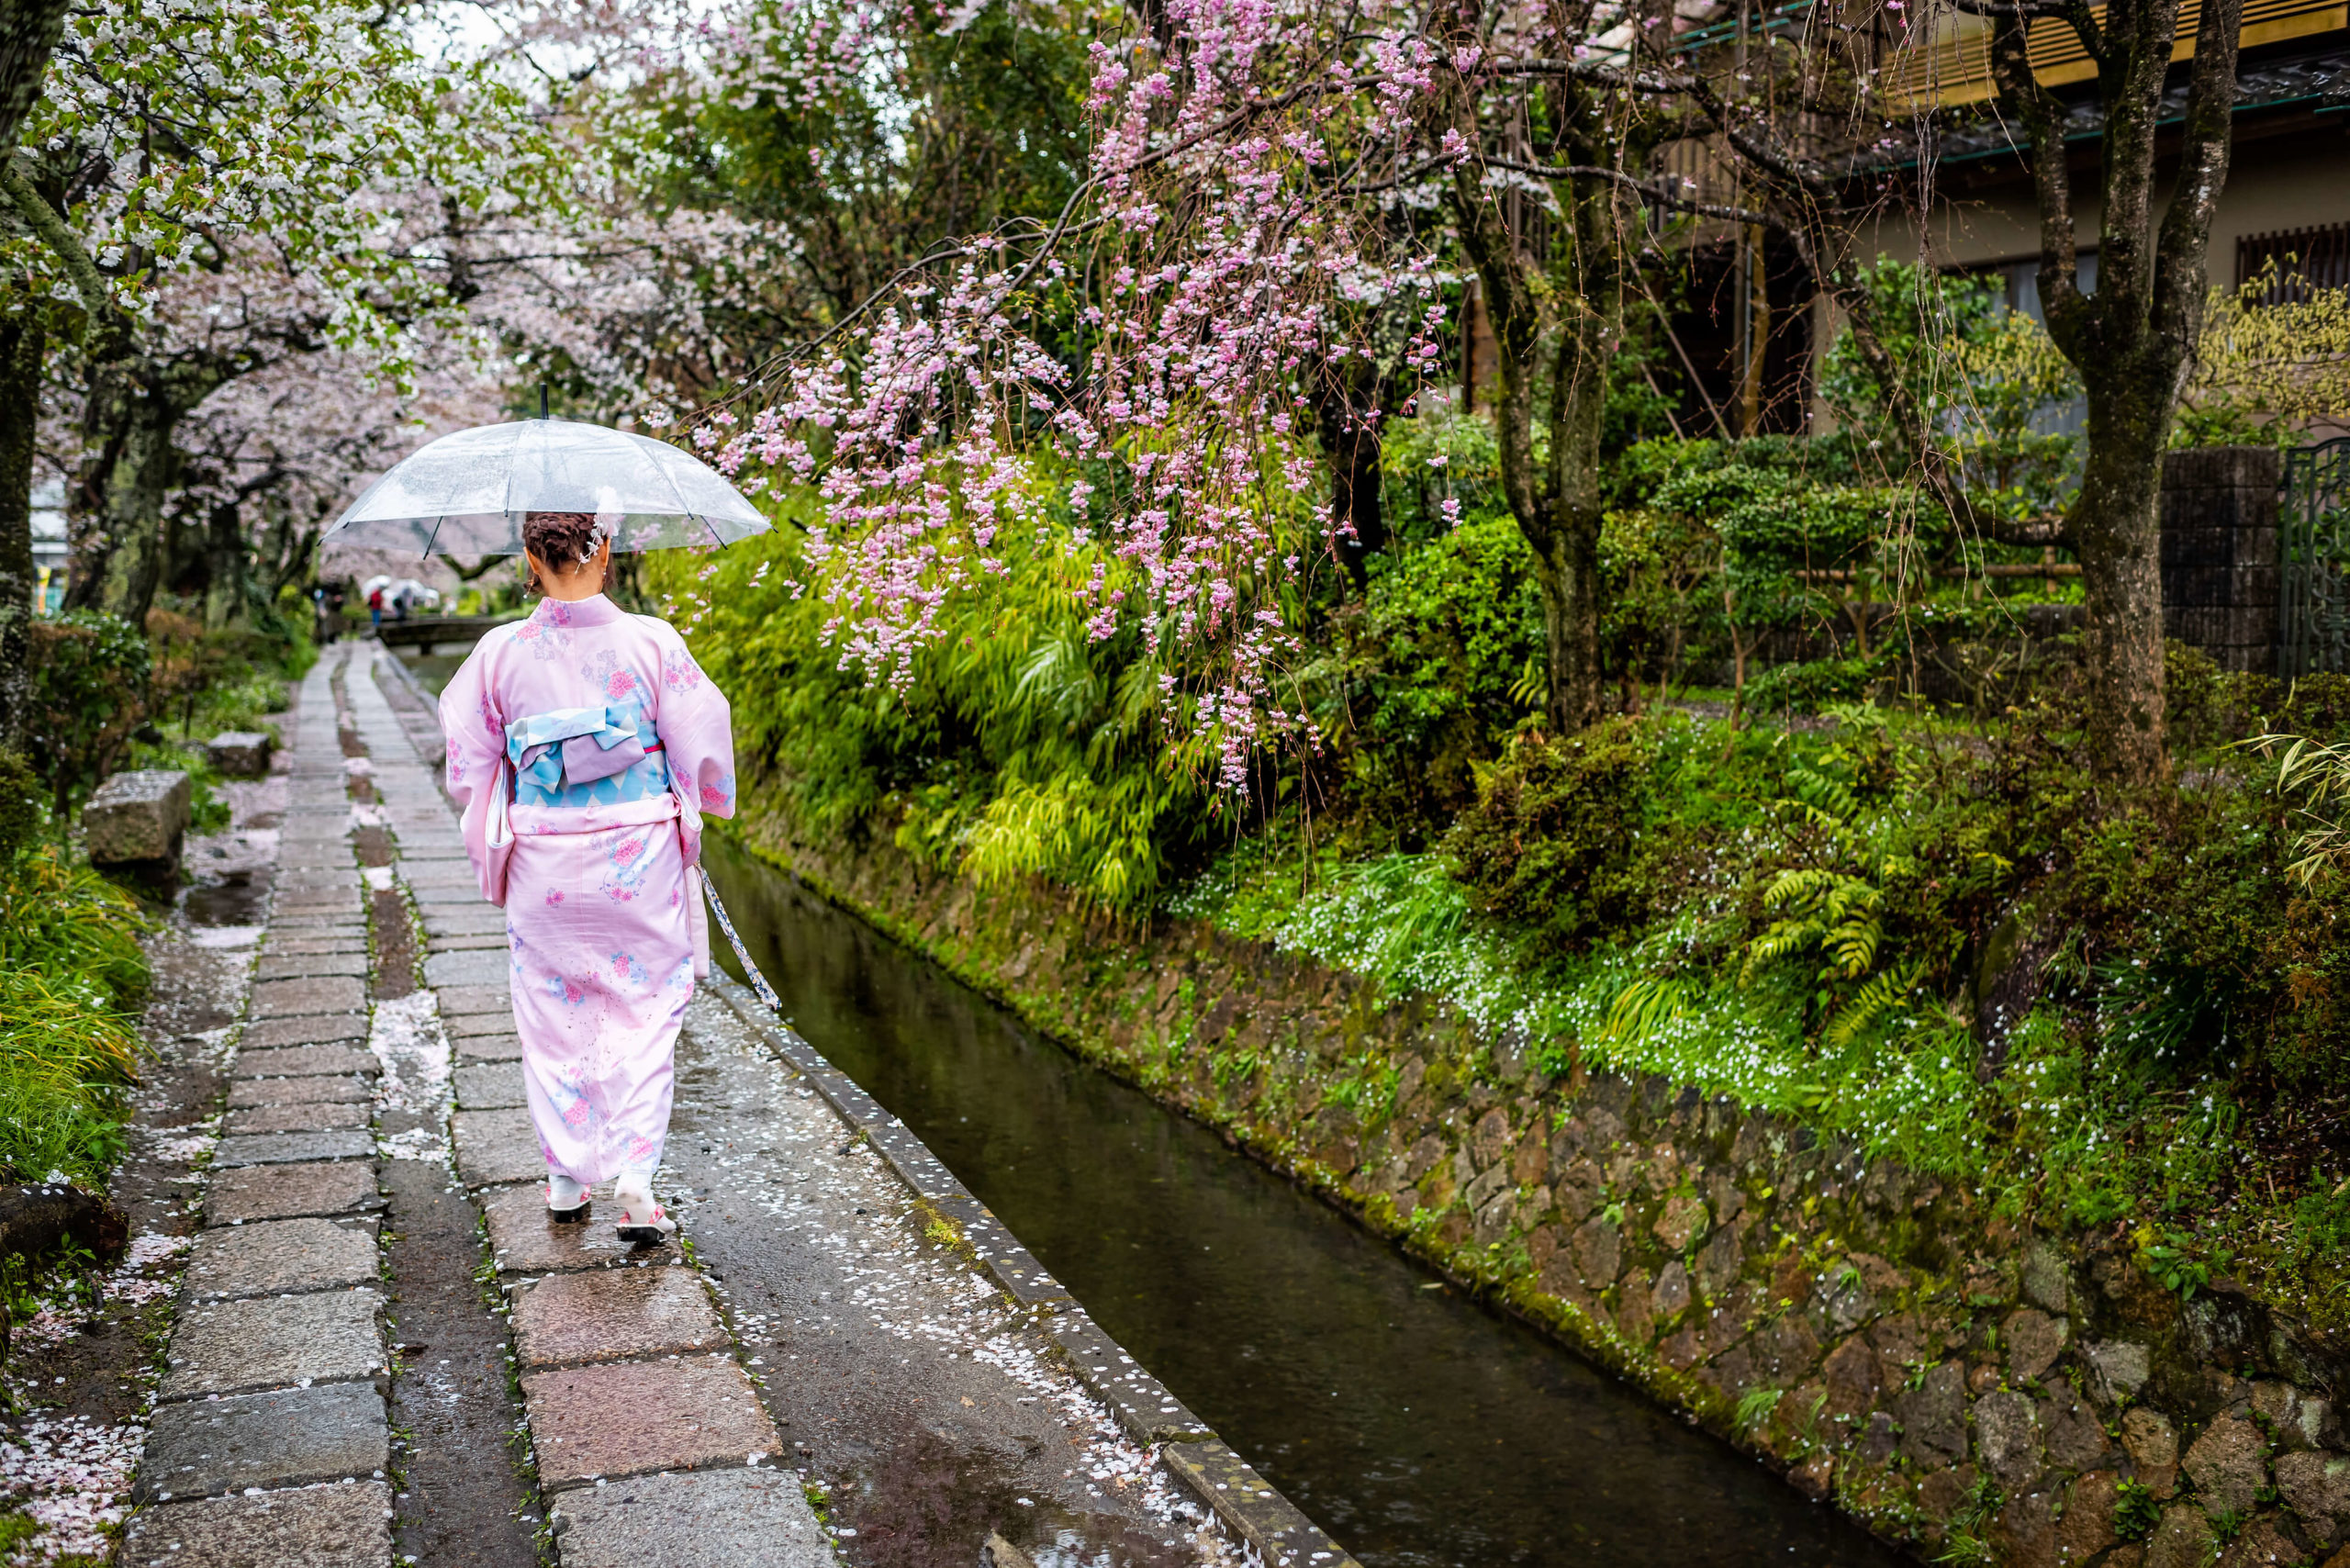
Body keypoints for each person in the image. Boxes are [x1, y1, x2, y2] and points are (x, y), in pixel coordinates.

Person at [436, 510, 735, 1242]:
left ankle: (567, 1178)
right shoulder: (650, 641)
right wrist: (703, 803)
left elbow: (469, 762)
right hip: (637, 858)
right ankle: (635, 1172)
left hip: (545, 861)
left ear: (530, 564)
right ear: (606, 555)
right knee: (643, 1012)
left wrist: (495, 830)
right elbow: (703, 740)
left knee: (552, 1016)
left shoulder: (499, 652)